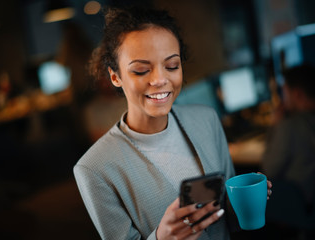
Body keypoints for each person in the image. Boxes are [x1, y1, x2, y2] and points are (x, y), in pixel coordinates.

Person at [74, 6, 271, 240]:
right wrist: (160, 238)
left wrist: (245, 204)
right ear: (115, 76)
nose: (160, 80)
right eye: (141, 70)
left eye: (172, 66)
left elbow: (227, 216)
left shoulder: (206, 120)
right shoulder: (94, 169)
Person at [261, 65, 315, 239]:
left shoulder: (289, 127)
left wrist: (275, 125)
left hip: (302, 206)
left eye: (284, 92)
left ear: (297, 94)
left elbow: (268, 170)